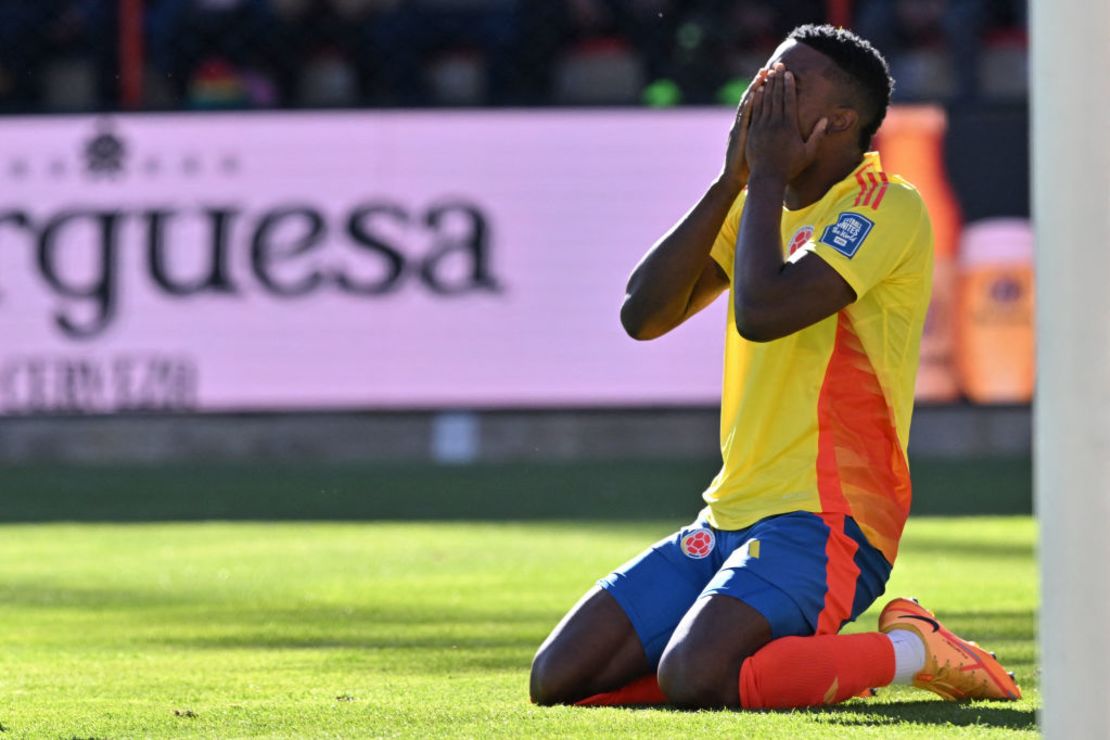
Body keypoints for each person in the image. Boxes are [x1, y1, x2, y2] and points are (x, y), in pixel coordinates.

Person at [529, 24, 1020, 710]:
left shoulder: (884, 205)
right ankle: (754, 663)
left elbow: (764, 311)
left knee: (696, 677)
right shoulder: (756, 204)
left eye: (789, 84)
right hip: (730, 514)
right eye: (765, 76)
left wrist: (760, 179)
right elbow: (642, 315)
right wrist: (733, 179)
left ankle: (913, 651)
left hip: (832, 518)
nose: (765, 93)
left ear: (839, 121)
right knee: (559, 681)